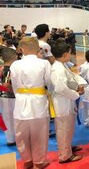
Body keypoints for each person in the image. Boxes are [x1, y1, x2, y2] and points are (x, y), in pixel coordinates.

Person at [10, 37, 52, 169]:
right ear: (37, 48)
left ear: (21, 49)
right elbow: (49, 84)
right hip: (38, 101)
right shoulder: (44, 64)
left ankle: (27, 160)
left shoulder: (15, 64)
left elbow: (15, 86)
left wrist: (21, 95)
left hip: (21, 101)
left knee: (21, 133)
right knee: (39, 133)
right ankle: (39, 161)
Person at [50, 39, 85, 163]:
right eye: (70, 52)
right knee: (64, 129)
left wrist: (77, 86)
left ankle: (67, 148)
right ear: (65, 54)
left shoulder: (61, 65)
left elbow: (69, 80)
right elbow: (60, 88)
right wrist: (76, 93)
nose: (71, 54)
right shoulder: (57, 69)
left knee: (68, 128)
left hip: (65, 100)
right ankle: (65, 155)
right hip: (62, 102)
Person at [0, 47, 18, 146]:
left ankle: (10, 139)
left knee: (7, 119)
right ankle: (13, 138)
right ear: (14, 57)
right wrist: (14, 91)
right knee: (13, 118)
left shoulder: (2, 68)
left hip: (3, 97)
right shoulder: (9, 69)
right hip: (9, 97)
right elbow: (6, 85)